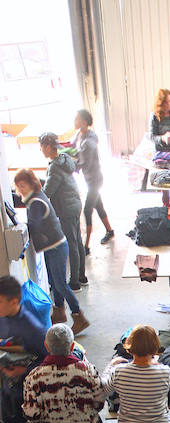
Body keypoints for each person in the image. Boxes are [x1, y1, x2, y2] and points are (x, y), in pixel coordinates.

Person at [13, 169, 90, 335]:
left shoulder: (36, 203)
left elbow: (35, 224)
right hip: (54, 246)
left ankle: (79, 317)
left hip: (56, 247)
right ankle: (59, 312)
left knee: (60, 284)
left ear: (31, 184)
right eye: (19, 186)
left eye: (23, 185)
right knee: (56, 283)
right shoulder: (36, 198)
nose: (21, 189)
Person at [38, 132, 86, 291]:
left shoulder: (55, 167)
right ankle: (81, 276)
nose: (41, 150)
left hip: (66, 209)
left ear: (47, 147)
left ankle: (74, 283)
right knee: (77, 241)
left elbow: (47, 193)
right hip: (75, 204)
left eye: (41, 147)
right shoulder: (64, 159)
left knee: (71, 244)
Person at [0, 275, 46, 423]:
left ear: (13, 302)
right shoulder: (2, 317)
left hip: (23, 388)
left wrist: (24, 370)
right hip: (5, 381)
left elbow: (47, 360)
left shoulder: (33, 328)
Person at [72, 109, 114, 251]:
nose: (74, 121)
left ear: (84, 122)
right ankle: (110, 231)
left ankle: (86, 246)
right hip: (89, 180)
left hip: (95, 180)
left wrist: (71, 166)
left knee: (87, 210)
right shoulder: (79, 134)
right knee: (98, 206)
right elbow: (71, 146)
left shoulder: (89, 142)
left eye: (77, 119)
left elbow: (85, 164)